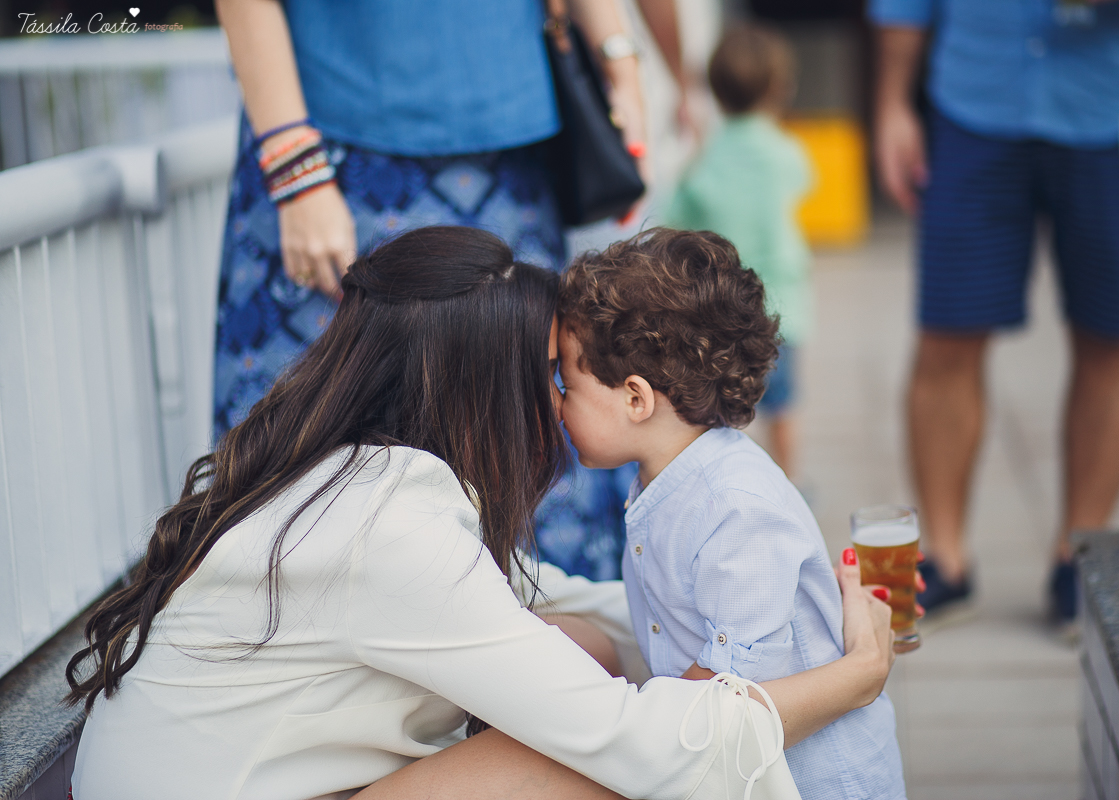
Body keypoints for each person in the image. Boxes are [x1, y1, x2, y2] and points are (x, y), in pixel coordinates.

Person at [67, 226, 900, 800]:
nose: (560, 398)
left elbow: (546, 602)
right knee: (593, 767)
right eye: (550, 372)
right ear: (477, 381)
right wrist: (851, 676)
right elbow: (628, 739)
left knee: (584, 646)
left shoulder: (354, 477)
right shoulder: (385, 529)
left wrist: (801, 619)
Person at [211, 0, 650, 582]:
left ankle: (536, 651)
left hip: (510, 137)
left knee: (532, 425)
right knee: (306, 448)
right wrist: (295, 166)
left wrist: (618, 58)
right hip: (334, 140)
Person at [554, 229, 909, 800]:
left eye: (565, 384)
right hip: (740, 769)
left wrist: (632, 729)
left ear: (636, 398)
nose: (554, 402)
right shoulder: (663, 477)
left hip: (812, 781)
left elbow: (732, 685)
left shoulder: (736, 509)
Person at [870, 0, 1119, 622]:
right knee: (945, 337)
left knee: (1111, 336)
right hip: (973, 100)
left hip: (1116, 110)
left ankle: (1079, 554)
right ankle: (945, 558)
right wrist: (892, 101)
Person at [666, 25, 814, 481]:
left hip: (722, 309)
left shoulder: (707, 157)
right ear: (778, 88)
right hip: (785, 309)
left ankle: (733, 482)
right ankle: (791, 482)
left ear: (715, 88)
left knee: (728, 407)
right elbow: (805, 185)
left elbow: (674, 216)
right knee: (784, 405)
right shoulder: (785, 151)